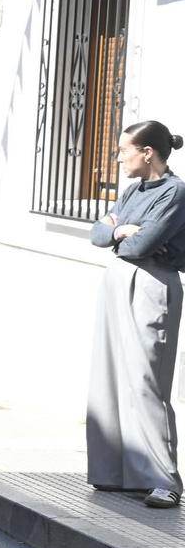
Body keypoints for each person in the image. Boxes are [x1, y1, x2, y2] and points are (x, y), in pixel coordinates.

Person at [88, 121, 185, 509]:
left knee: (147, 378)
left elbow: (141, 244)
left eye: (123, 150)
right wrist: (117, 231)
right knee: (110, 374)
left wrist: (129, 233)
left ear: (147, 152)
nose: (118, 158)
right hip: (115, 283)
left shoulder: (175, 192)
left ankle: (164, 480)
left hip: (151, 285)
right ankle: (114, 474)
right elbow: (98, 234)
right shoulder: (130, 191)